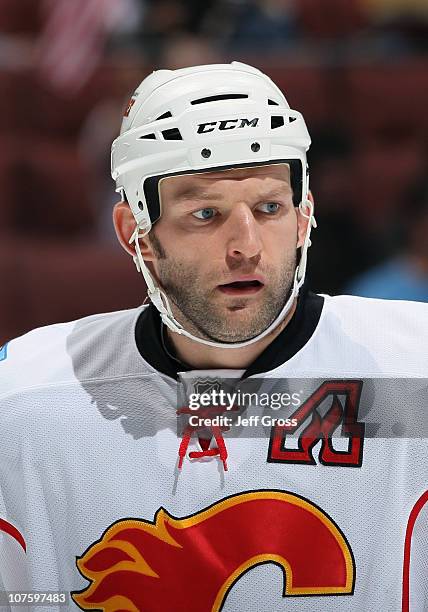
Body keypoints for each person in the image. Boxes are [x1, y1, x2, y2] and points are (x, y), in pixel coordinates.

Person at [0, 62, 427, 612]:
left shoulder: (411, 372)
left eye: (269, 208)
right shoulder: (24, 397)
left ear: (304, 218)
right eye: (206, 213)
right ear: (137, 235)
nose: (246, 245)